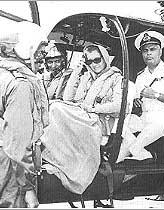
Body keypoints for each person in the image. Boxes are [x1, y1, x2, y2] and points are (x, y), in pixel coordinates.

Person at [0, 21, 49, 208]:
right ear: (25, 48)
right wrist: (28, 188)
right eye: (40, 50)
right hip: (9, 169)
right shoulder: (20, 84)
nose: (43, 57)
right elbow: (18, 142)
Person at [41, 44, 123, 194]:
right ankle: (51, 156)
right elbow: (68, 98)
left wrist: (94, 109)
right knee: (52, 106)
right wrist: (78, 70)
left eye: (97, 60)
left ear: (105, 59)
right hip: (82, 117)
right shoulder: (87, 77)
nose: (94, 64)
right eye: (89, 61)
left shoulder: (115, 78)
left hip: (98, 122)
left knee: (55, 108)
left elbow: (118, 106)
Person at [117, 31, 164, 163]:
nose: (149, 53)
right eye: (145, 50)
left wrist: (156, 95)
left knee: (157, 124)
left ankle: (136, 151)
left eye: (153, 49)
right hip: (147, 118)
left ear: (160, 51)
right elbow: (139, 103)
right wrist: (136, 103)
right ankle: (123, 160)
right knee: (122, 123)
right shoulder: (140, 77)